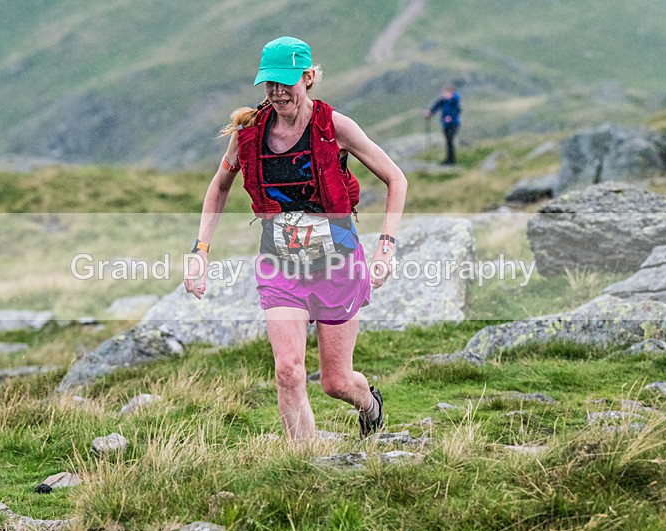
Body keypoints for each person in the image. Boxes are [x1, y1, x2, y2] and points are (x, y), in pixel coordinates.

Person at [183, 36, 407, 441]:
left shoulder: (335, 127)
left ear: (308, 78)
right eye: (269, 83)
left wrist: (386, 246)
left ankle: (370, 405)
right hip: (280, 266)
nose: (277, 92)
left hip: (337, 264)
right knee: (288, 370)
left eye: (285, 82)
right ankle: (303, 463)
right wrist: (201, 250)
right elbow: (219, 186)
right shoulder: (249, 131)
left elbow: (396, 178)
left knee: (336, 382)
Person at [425, 84, 461, 165]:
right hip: (446, 124)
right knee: (448, 141)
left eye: (445, 93)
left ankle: (451, 160)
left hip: (453, 124)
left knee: (450, 141)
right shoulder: (444, 100)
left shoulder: (455, 101)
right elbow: (437, 105)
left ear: (451, 93)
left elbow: (457, 110)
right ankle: (449, 159)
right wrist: (430, 112)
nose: (444, 94)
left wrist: (450, 117)